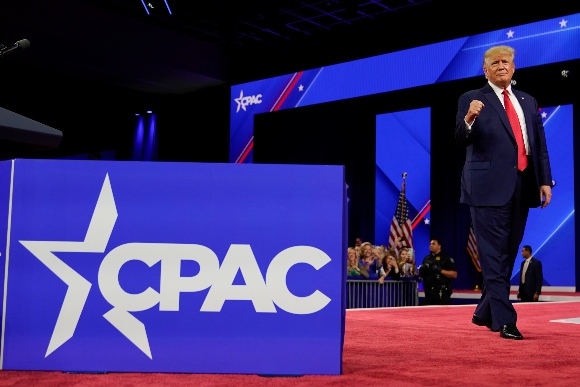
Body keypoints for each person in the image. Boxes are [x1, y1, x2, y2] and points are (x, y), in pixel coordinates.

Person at [455, 45, 552, 340]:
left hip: (522, 187)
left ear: (513, 67)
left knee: (508, 253)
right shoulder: (471, 98)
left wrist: (545, 181)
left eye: (506, 62)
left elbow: (538, 146)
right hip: (485, 188)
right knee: (493, 255)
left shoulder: (527, 100)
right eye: (494, 62)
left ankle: (484, 310)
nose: (501, 66)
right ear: (485, 70)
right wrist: (469, 118)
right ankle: (505, 320)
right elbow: (460, 138)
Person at [419, 239, 457, 305]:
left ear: (439, 246)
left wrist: (440, 270)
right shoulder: (427, 258)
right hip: (429, 292)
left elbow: (454, 274)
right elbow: (422, 275)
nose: (431, 245)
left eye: (433, 244)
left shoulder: (446, 258)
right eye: (430, 244)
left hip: (441, 292)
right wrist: (422, 270)